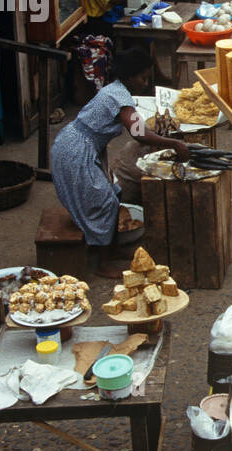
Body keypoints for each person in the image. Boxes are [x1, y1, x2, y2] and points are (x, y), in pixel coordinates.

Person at [52, 47, 189, 279]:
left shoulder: (116, 91)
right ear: (127, 77)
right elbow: (138, 133)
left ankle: (111, 248)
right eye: (142, 77)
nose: (146, 82)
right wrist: (173, 144)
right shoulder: (119, 96)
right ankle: (103, 264)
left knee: (115, 193)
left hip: (82, 145)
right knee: (102, 200)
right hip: (74, 149)